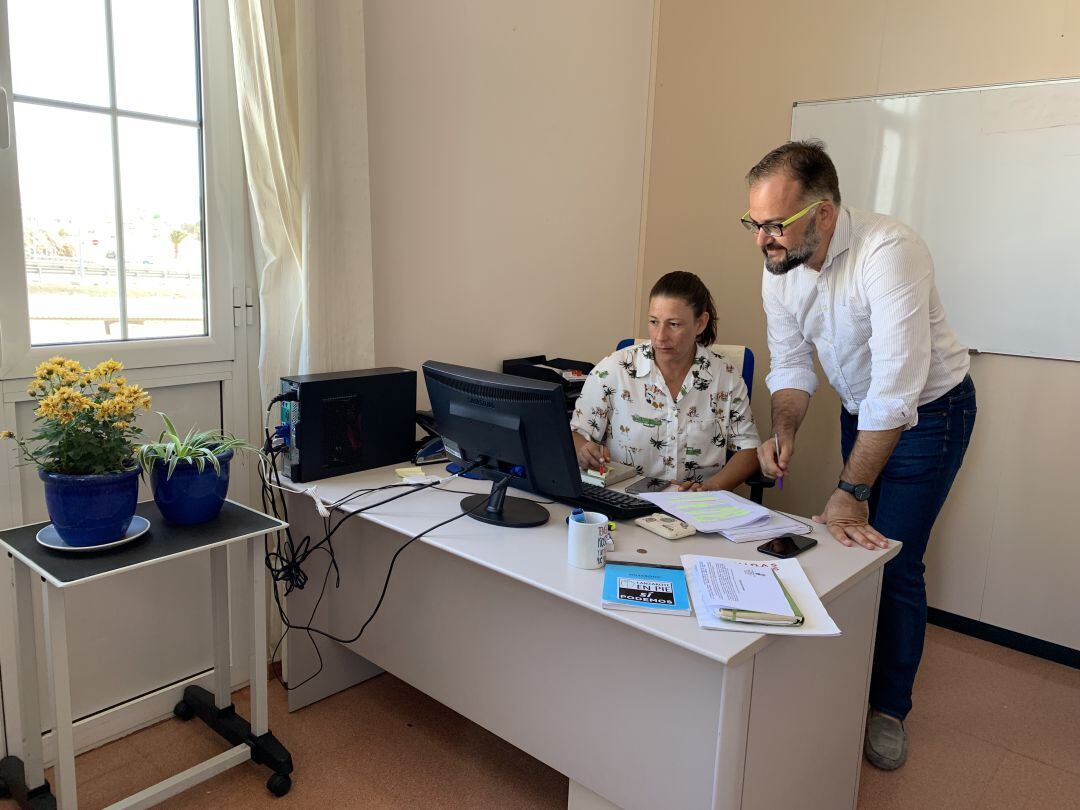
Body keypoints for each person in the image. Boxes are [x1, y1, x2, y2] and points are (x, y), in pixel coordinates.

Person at [744, 140, 976, 770]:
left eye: (774, 224)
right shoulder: (782, 269)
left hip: (930, 412)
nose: (762, 240)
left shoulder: (890, 252)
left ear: (821, 215)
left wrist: (850, 491)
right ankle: (848, 684)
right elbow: (791, 364)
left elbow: (898, 392)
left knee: (894, 560)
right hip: (863, 408)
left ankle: (889, 708)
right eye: (754, 223)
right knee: (852, 549)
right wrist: (785, 427)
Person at [570, 270, 760, 491]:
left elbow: (748, 449)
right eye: (653, 322)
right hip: (625, 499)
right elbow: (577, 434)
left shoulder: (725, 376)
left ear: (700, 323)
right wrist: (585, 450)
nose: (660, 336)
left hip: (695, 505)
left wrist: (713, 488)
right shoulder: (614, 369)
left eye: (674, 324)